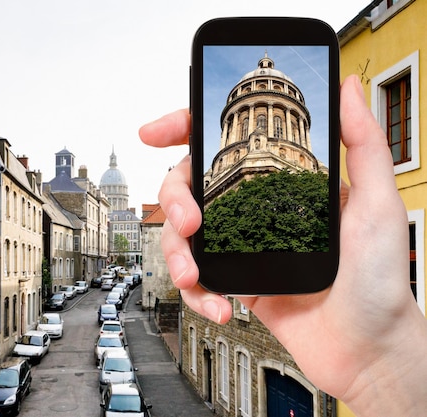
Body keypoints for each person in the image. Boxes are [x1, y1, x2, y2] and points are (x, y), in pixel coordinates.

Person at [139, 74, 427, 415]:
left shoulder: (323, 183)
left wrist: (385, 355)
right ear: (235, 122)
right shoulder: (221, 178)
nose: (258, 128)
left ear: (294, 120)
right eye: (255, 121)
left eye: (266, 121)